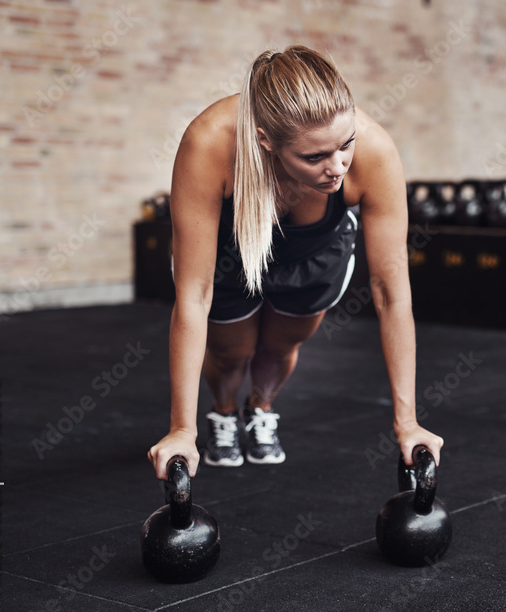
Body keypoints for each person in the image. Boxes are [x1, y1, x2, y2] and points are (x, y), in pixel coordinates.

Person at [147, 45, 443, 479]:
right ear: (266, 140)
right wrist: (180, 429)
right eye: (314, 157)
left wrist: (408, 422)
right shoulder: (210, 143)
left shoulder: (374, 152)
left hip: (315, 254)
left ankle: (260, 409)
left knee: (279, 347)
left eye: (346, 145)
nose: (337, 166)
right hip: (232, 254)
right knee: (232, 352)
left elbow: (389, 292)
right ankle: (223, 413)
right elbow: (194, 294)